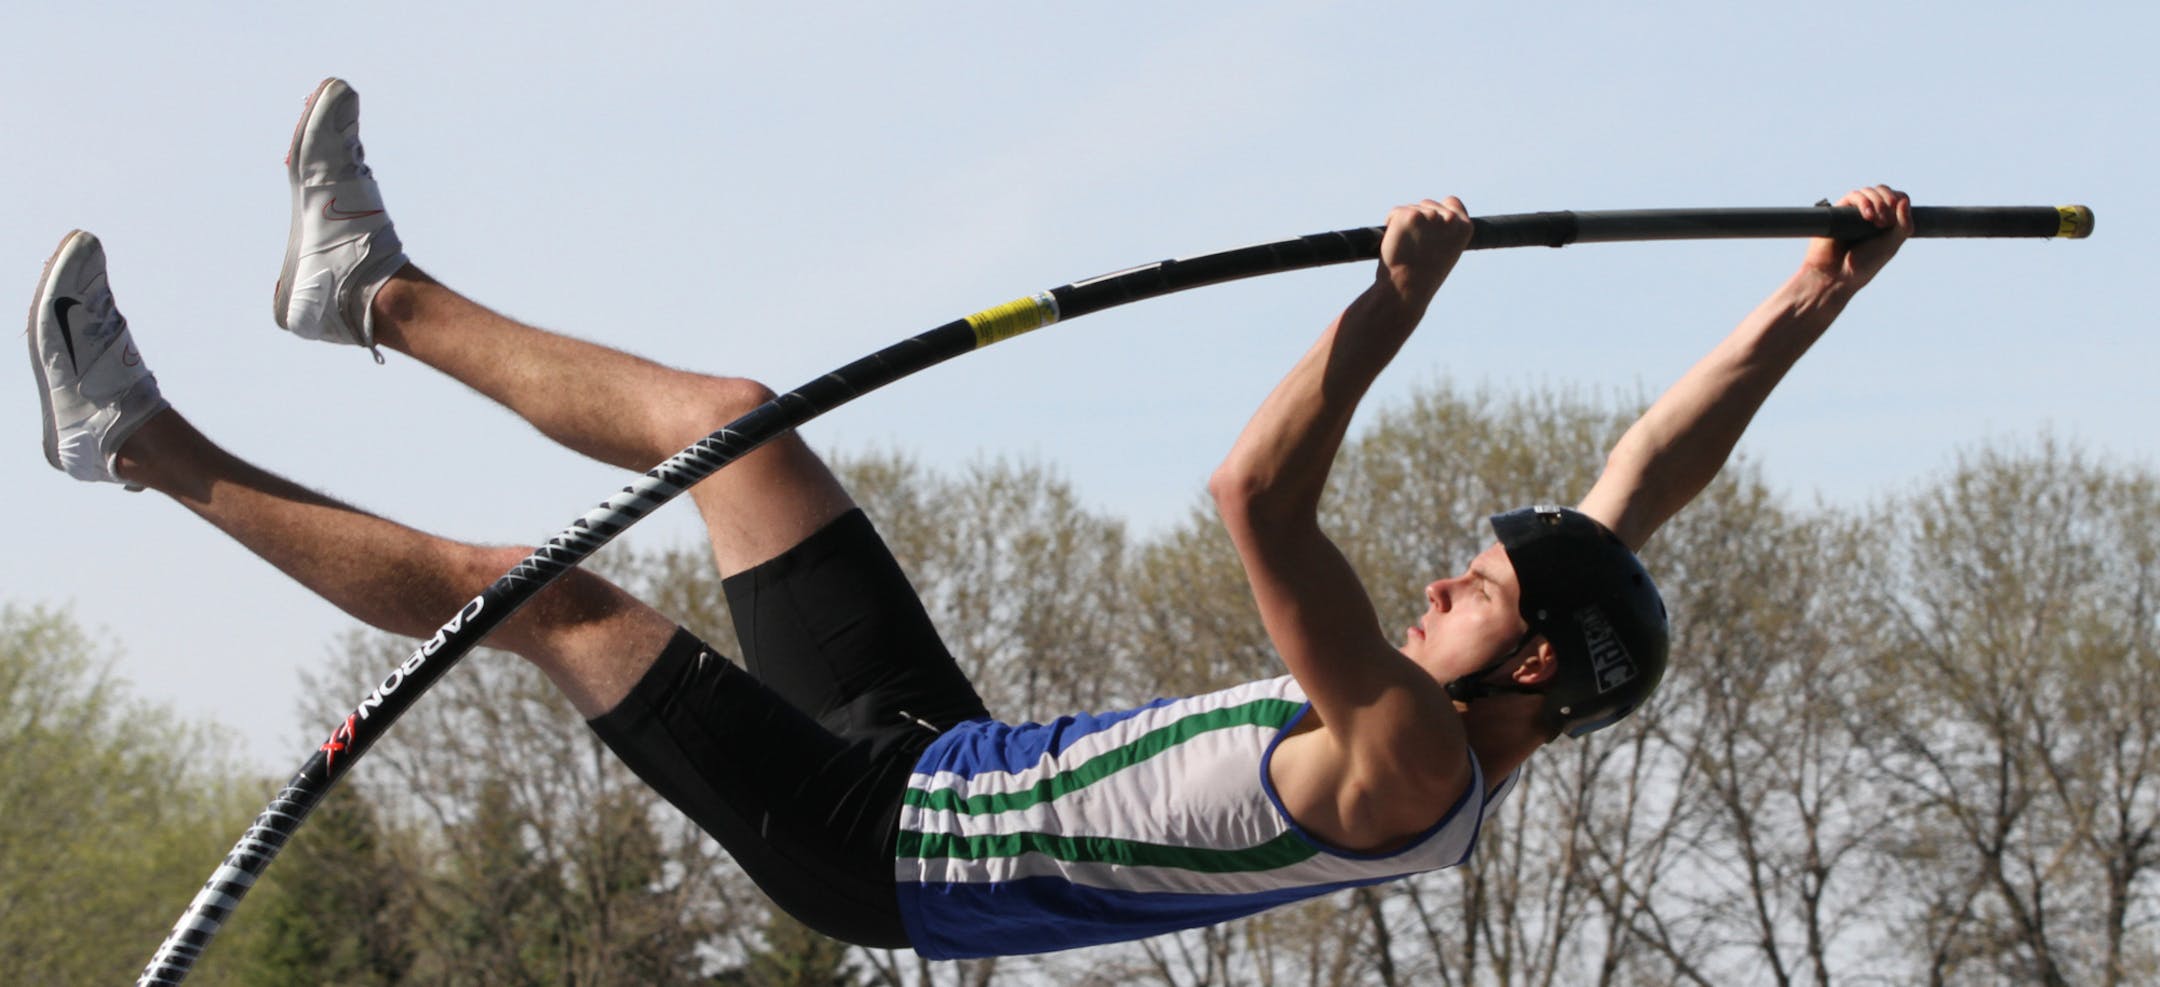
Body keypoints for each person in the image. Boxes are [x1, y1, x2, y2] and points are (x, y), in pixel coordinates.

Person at [26, 77, 1911, 960]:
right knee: (742, 429)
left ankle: (135, 443)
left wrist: (1381, 318)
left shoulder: (1411, 758)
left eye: (1475, 585)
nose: (1443, 577)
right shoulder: (1516, 684)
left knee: (549, 602)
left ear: (1522, 673)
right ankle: (367, 292)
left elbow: (1258, 492)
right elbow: (1643, 481)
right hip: (941, 752)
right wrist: (1808, 302)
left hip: (879, 848)